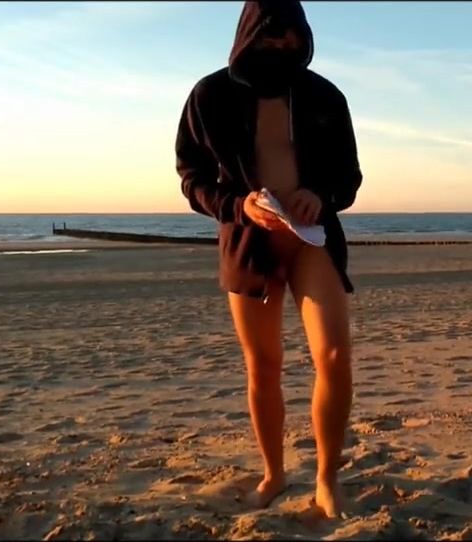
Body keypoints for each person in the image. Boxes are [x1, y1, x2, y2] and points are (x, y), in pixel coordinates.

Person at [174, 0, 362, 519]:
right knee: (263, 366)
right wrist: (239, 207)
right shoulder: (209, 95)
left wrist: (320, 196)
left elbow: (349, 177)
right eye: (271, 35)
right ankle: (274, 474)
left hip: (312, 240)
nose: (282, 45)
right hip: (248, 243)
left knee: (334, 357)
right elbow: (191, 177)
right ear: (249, 33)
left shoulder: (326, 96)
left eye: (291, 36)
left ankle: (326, 480)